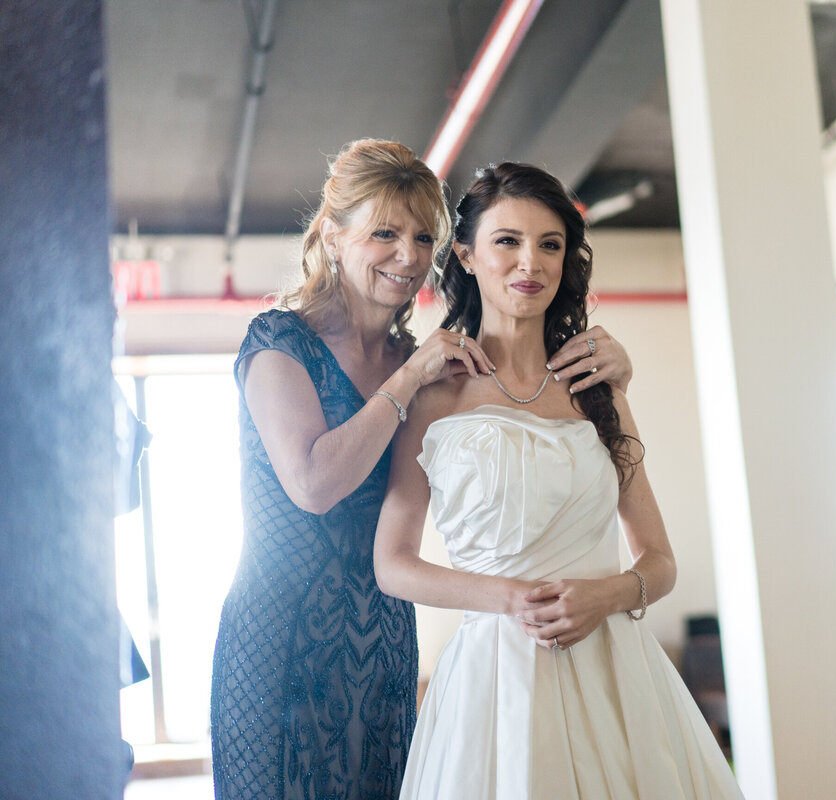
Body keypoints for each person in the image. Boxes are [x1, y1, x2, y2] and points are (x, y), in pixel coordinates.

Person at [209, 140, 634, 800]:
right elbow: (315, 485)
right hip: (280, 643)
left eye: (421, 236)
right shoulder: (280, 343)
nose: (408, 257)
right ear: (332, 232)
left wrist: (611, 378)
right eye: (385, 232)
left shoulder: (423, 361)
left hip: (382, 642)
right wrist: (407, 380)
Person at [373, 162, 743, 799]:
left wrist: (609, 595)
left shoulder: (599, 390)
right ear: (465, 255)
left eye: (550, 244)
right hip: (494, 679)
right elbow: (393, 564)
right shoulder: (435, 394)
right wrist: (508, 598)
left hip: (617, 673)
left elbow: (660, 561)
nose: (531, 263)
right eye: (508, 241)